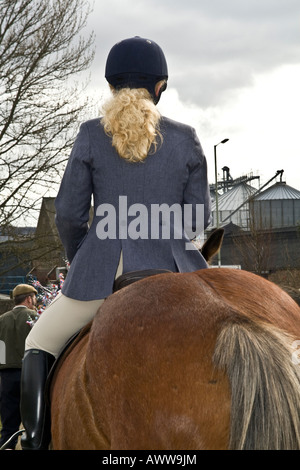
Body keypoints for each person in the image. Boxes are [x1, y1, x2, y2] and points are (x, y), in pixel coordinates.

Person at [20, 36, 212, 450]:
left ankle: (32, 441)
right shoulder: (187, 138)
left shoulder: (90, 135)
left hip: (103, 275)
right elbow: (198, 221)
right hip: (174, 277)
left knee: (37, 342)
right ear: (160, 86)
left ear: (110, 86)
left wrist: (87, 259)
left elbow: (70, 214)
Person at [0, 284, 37, 449]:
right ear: (29, 298)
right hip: (29, 374)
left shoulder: (2, 320)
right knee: (32, 423)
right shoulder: (34, 317)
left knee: (8, 425)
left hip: (6, 376)